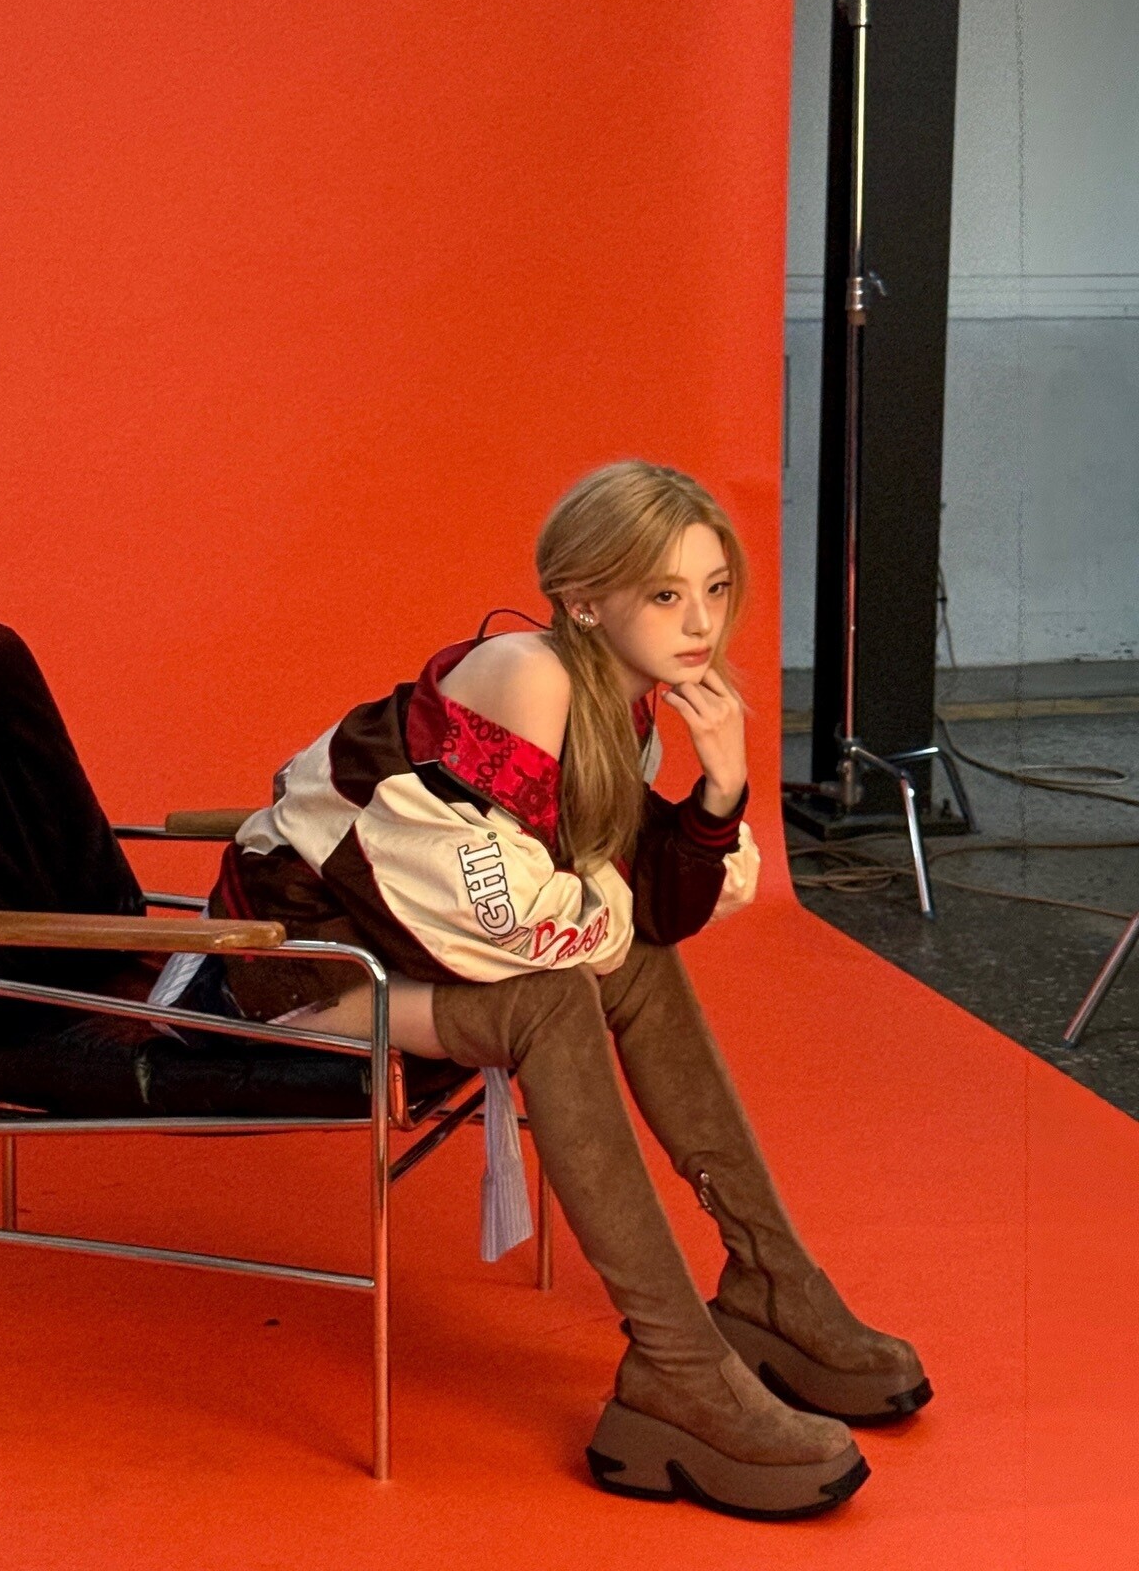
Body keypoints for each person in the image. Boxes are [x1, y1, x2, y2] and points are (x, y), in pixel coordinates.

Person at [195, 460, 930, 1519]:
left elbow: (645, 913)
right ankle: (677, 1366)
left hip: (405, 933)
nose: (701, 623)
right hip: (295, 956)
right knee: (556, 994)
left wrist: (721, 785)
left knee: (632, 962)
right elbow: (515, 921)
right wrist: (622, 900)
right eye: (665, 593)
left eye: (716, 588)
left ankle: (772, 1282)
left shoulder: (619, 701)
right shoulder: (531, 679)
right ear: (585, 598)